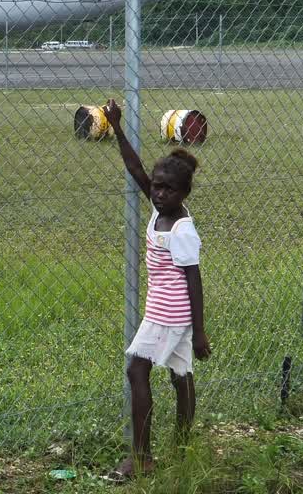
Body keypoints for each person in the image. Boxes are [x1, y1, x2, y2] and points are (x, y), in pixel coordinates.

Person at [102, 99, 210, 480]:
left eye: (167, 189)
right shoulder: (159, 210)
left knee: (136, 370)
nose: (158, 193)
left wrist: (199, 331)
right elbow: (135, 167)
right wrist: (115, 126)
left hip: (170, 312)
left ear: (184, 192)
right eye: (157, 186)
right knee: (181, 375)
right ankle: (182, 445)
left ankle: (142, 456)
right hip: (167, 311)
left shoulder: (181, 229)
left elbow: (193, 280)